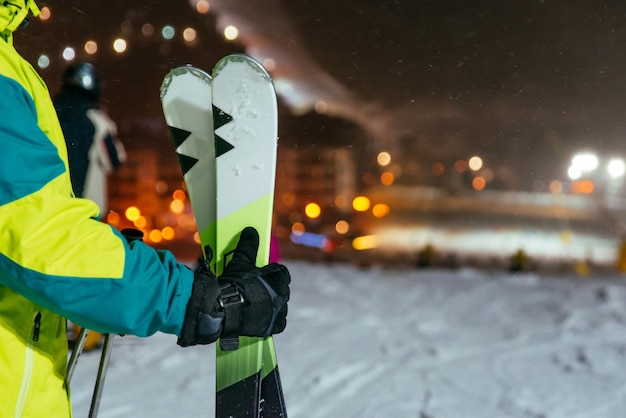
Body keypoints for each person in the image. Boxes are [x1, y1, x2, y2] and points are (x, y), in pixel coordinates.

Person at [0, 2, 291, 417]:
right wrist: (200, 299)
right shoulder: (32, 87)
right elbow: (36, 236)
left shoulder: (22, 73)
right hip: (74, 223)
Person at [53, 61, 126, 216]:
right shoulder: (96, 120)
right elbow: (114, 161)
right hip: (85, 211)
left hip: (52, 207)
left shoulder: (50, 111)